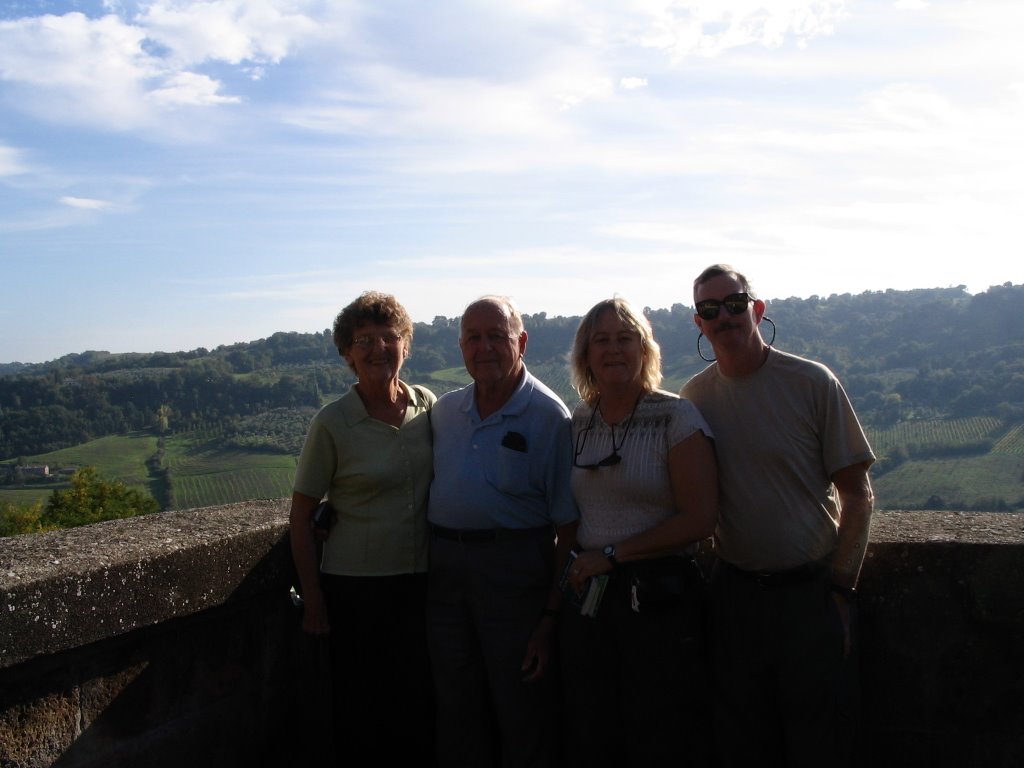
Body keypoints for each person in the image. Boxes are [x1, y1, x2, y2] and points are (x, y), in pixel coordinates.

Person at [681, 264, 876, 768]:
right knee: (742, 740)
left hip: (809, 595)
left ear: (757, 308)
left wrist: (840, 588)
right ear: (698, 323)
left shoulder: (811, 382)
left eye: (734, 303)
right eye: (710, 309)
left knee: (819, 741)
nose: (723, 315)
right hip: (735, 597)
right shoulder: (695, 399)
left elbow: (858, 495)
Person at [559, 298, 718, 768]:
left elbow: (700, 519)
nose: (613, 350)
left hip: (658, 600)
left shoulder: (677, 418)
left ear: (645, 349)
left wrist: (613, 553)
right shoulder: (579, 421)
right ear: (585, 355)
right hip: (592, 596)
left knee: (658, 730)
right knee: (595, 727)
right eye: (601, 341)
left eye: (625, 339)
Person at [426, 295, 579, 768]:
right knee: (456, 704)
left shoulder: (550, 417)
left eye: (497, 335)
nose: (484, 347)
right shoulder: (445, 412)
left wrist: (550, 616)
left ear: (522, 342)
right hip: (444, 573)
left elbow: (569, 528)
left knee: (521, 707)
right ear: (461, 347)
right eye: (473, 337)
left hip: (514, 574)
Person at [289, 291, 436, 766]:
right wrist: (313, 601)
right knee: (361, 713)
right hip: (356, 591)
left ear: (406, 345)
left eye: (389, 337)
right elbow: (300, 516)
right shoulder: (332, 423)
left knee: (418, 707)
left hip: (423, 585)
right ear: (347, 353)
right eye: (363, 340)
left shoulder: (428, 406)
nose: (378, 349)